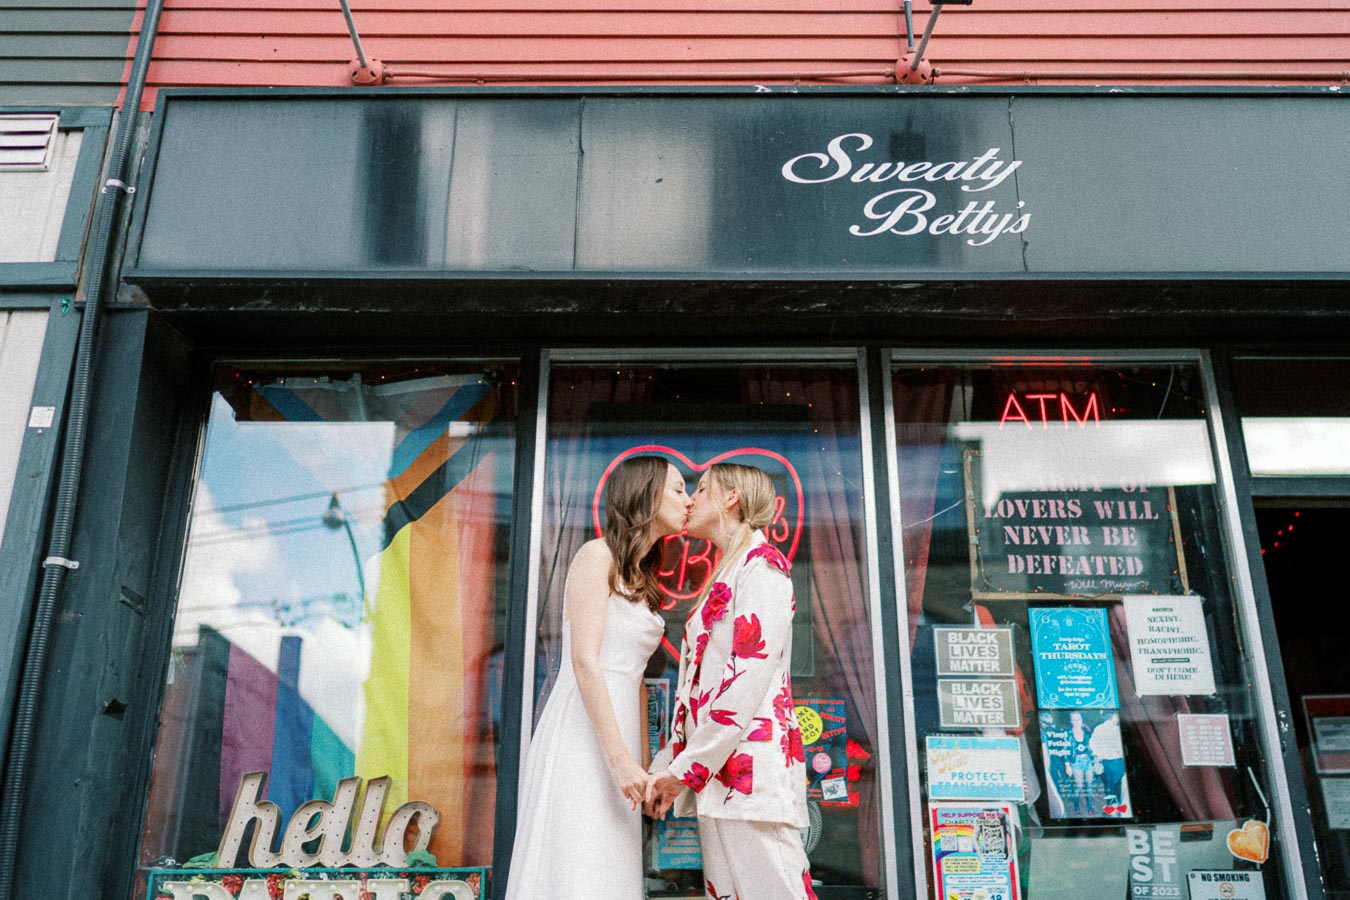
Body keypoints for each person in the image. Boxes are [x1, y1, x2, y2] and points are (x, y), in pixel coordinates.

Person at [504, 456, 690, 900]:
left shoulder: (642, 574)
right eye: (679, 489)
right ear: (647, 495)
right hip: (583, 734)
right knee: (577, 859)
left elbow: (639, 682)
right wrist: (618, 759)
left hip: (619, 734)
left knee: (610, 864)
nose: (687, 501)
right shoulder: (596, 555)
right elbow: (585, 661)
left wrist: (642, 768)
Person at [645, 462, 817, 900]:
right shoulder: (730, 570)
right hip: (720, 781)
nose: (691, 499)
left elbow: (743, 684)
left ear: (731, 498)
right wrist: (671, 763)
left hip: (752, 780)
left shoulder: (762, 567)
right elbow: (698, 694)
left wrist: (681, 770)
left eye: (701, 489)